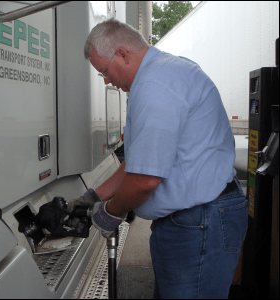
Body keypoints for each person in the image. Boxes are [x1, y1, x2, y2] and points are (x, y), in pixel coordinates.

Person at [67, 18, 248, 299]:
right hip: (193, 221)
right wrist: (93, 196)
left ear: (123, 55)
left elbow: (144, 181)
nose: (107, 81)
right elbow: (139, 162)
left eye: (104, 71)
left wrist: (110, 212)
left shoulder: (154, 84)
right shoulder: (165, 72)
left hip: (199, 223)